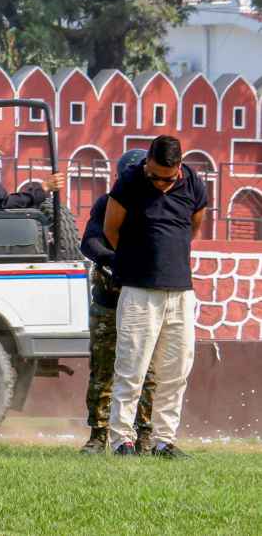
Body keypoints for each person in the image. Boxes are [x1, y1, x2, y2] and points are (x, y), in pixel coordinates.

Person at [104, 135, 207, 458]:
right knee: (131, 366)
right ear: (146, 162)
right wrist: (137, 260)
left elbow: (194, 226)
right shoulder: (129, 183)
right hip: (139, 290)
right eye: (156, 176)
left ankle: (164, 440)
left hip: (180, 291)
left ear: (179, 167)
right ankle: (122, 439)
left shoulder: (193, 184)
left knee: (176, 370)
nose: (162, 183)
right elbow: (111, 229)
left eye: (169, 177)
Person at [79, 149, 157, 455]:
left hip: (146, 303)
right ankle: (98, 436)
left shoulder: (158, 206)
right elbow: (90, 241)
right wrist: (115, 259)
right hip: (109, 300)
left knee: (147, 373)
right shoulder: (106, 203)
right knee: (102, 370)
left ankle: (145, 436)